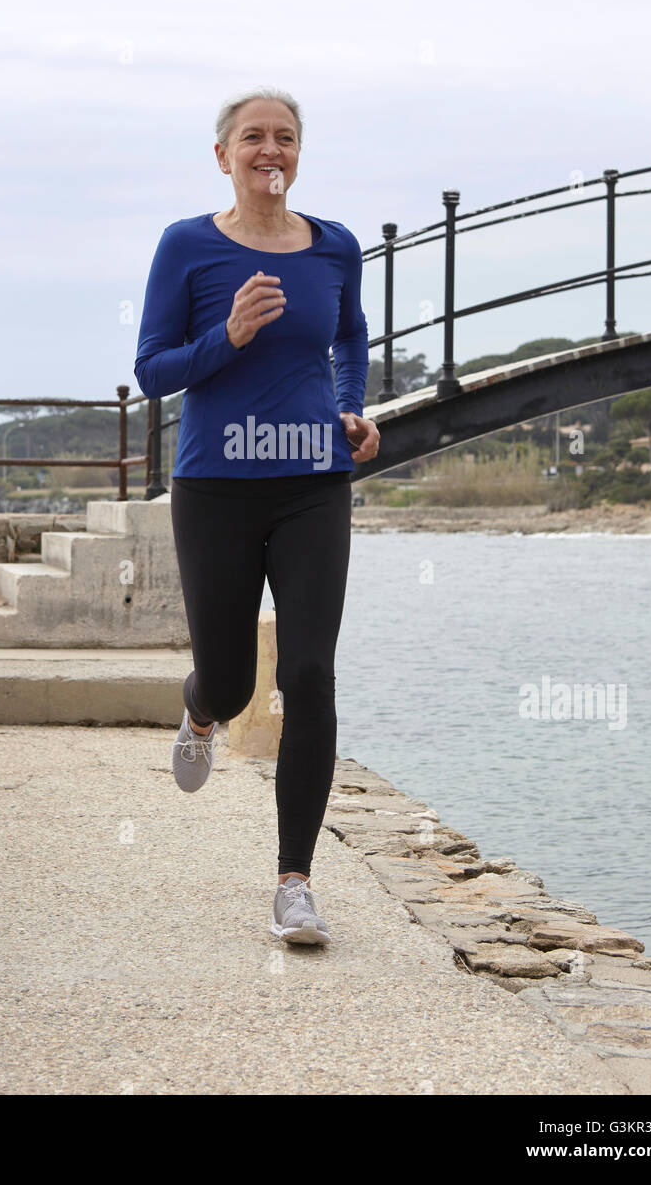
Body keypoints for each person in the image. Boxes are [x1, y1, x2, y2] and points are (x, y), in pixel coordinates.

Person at [134, 87, 380, 944]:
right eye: (252, 138)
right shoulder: (188, 247)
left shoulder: (335, 246)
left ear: (298, 154)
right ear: (223, 155)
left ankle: (294, 883)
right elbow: (154, 370)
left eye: (284, 137)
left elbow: (349, 337)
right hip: (217, 486)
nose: (268, 150)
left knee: (309, 675)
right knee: (233, 679)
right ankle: (202, 713)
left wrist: (352, 409)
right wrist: (226, 339)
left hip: (313, 479)